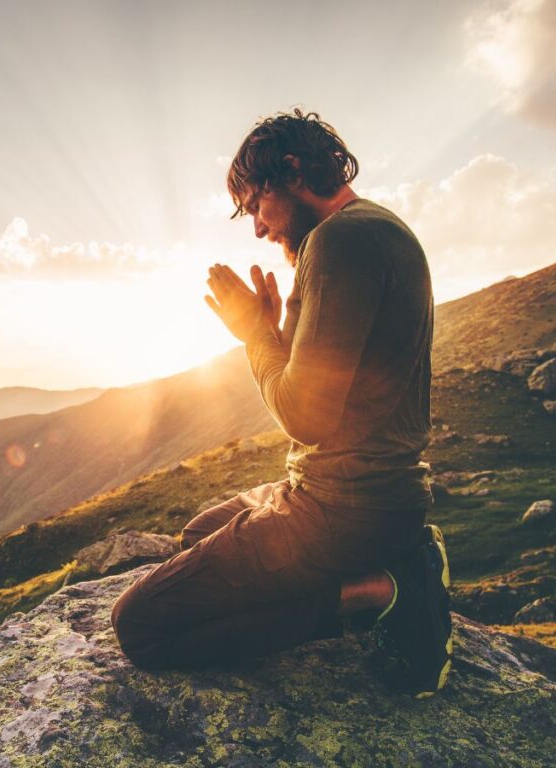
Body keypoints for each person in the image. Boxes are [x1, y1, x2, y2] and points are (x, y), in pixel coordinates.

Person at [110, 108, 452, 698]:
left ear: (291, 170)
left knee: (139, 627)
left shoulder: (341, 240)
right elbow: (338, 380)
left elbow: (306, 417)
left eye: (254, 205)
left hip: (343, 509)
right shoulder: (373, 228)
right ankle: (395, 556)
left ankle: (384, 590)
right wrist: (276, 330)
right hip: (367, 497)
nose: (258, 230)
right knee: (199, 537)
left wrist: (255, 336)